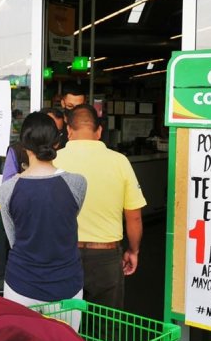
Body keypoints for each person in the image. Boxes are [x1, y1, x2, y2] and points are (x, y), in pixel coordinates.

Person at [53, 104, 146, 309]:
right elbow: (134, 217)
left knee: (63, 325)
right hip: (105, 257)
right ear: (99, 131)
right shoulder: (119, 161)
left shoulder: (54, 160)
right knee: (105, 328)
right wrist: (133, 250)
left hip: (62, 254)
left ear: (68, 130)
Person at [0, 112, 86, 328]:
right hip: (66, 286)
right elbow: (65, 222)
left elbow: (14, 240)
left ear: (24, 145)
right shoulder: (77, 183)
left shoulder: (8, 189)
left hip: (21, 285)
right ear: (57, 142)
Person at [2, 108, 66, 182]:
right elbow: (7, 184)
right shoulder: (17, 150)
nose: (52, 134)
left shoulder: (62, 149)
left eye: (58, 131)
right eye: (49, 128)